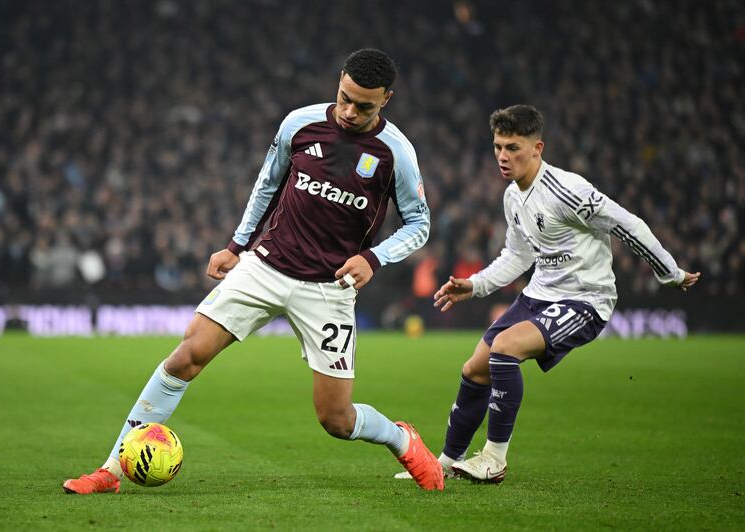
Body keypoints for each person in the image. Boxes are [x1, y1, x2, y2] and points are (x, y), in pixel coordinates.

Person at [63, 49, 444, 493]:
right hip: (265, 266)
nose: (349, 111)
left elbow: (420, 224)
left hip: (329, 287)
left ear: (387, 101)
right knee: (186, 355)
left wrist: (373, 257)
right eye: (345, 98)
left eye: (365, 106)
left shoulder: (396, 152)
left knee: (336, 419)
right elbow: (267, 183)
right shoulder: (299, 124)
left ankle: (402, 438)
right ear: (338, 81)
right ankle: (111, 470)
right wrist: (236, 245)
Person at [396, 104, 700, 483]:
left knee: (505, 348)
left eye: (513, 148)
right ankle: (443, 463)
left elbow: (628, 224)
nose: (503, 157)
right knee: (475, 368)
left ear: (537, 148)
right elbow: (516, 256)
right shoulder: (513, 196)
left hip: (586, 299)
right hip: (539, 294)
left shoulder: (568, 191)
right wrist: (475, 286)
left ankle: (493, 460)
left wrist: (670, 273)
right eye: (497, 148)